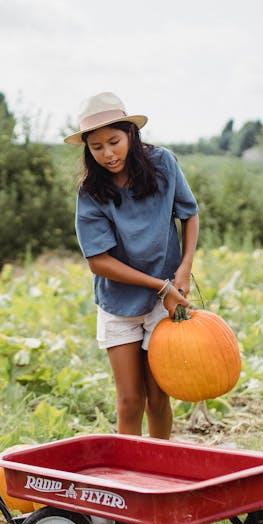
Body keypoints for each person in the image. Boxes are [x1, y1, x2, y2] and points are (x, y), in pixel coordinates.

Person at [64, 92, 200, 440]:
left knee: (158, 397)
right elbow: (99, 262)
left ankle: (159, 474)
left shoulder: (164, 164)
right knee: (129, 401)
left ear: (131, 135)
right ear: (87, 150)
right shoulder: (91, 192)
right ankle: (131, 483)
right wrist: (161, 285)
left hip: (164, 300)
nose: (108, 153)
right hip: (119, 303)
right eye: (96, 147)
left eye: (114, 141)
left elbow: (190, 214)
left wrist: (182, 272)